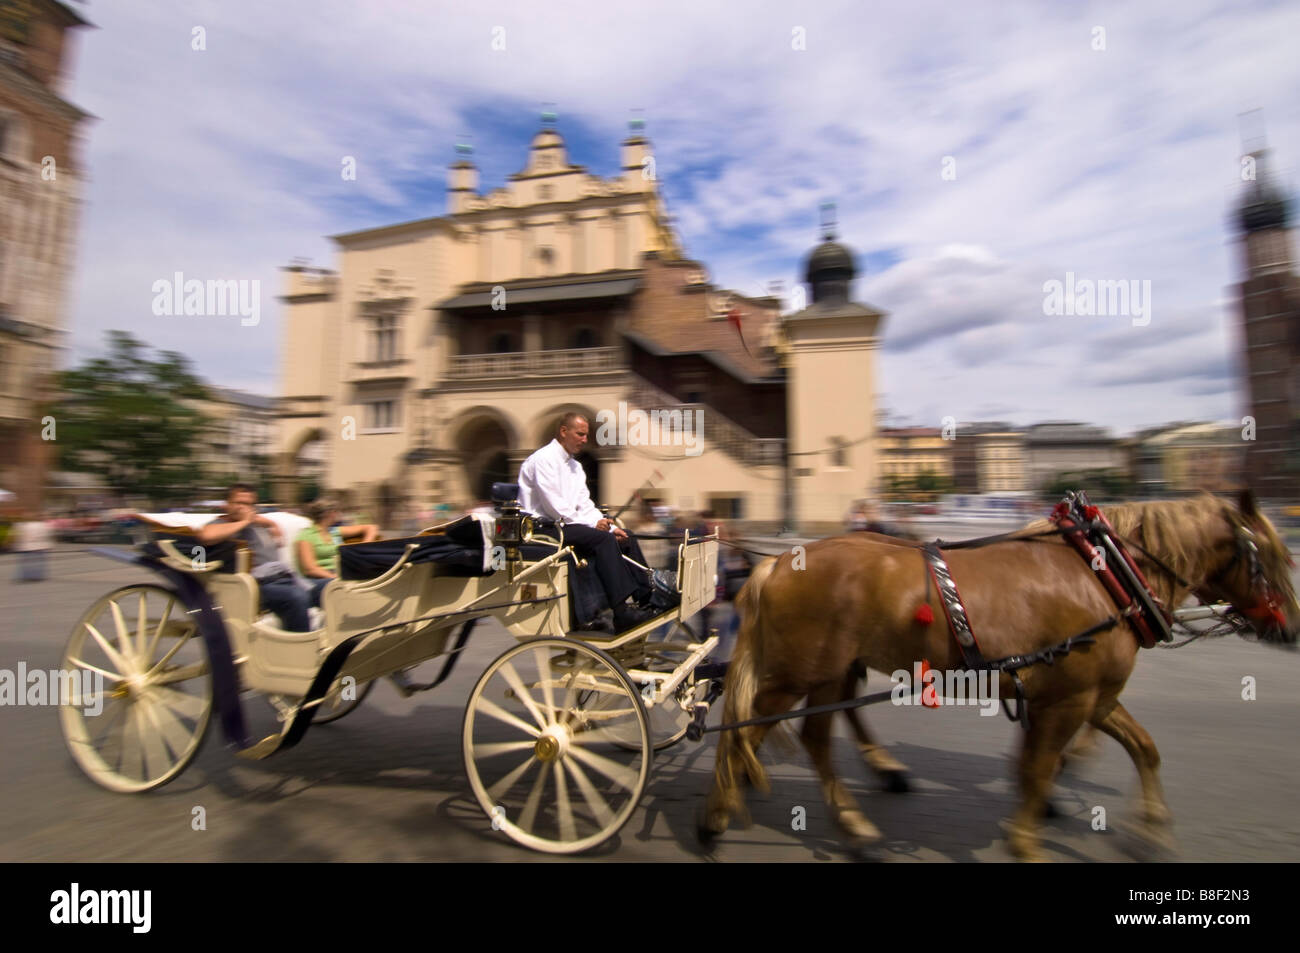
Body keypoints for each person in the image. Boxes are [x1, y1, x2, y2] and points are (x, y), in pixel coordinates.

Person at [518, 413, 676, 633]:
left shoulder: (575, 467)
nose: (585, 440)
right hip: (544, 529)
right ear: (564, 432)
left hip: (568, 525)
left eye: (586, 435)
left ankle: (647, 597)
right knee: (602, 540)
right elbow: (555, 507)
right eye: (580, 434)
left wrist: (610, 526)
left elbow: (585, 505)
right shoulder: (543, 460)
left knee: (625, 535)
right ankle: (621, 612)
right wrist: (594, 527)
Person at [197, 483, 311, 632]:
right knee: (296, 597)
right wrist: (244, 521)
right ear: (227, 505)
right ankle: (300, 651)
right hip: (254, 586)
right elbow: (206, 536)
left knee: (328, 588)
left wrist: (270, 523)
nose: (244, 508)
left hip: (285, 578)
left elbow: (278, 537)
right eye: (239, 503)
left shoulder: (256, 524)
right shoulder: (220, 523)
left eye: (250, 504)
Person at [295, 498, 379, 608]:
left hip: (340, 573)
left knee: (372, 579)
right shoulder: (306, 535)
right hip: (319, 578)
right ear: (329, 513)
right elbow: (310, 569)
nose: (339, 514)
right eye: (336, 511)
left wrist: (364, 547)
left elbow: (371, 528)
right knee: (342, 586)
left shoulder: (334, 532)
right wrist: (335, 577)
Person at [12, 510, 53, 582]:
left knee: (26, 563)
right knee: (38, 563)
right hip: (39, 547)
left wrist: (16, 545)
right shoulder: (43, 525)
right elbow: (47, 536)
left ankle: (26, 576)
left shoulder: (21, 525)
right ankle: (37, 576)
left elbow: (18, 536)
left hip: (26, 547)